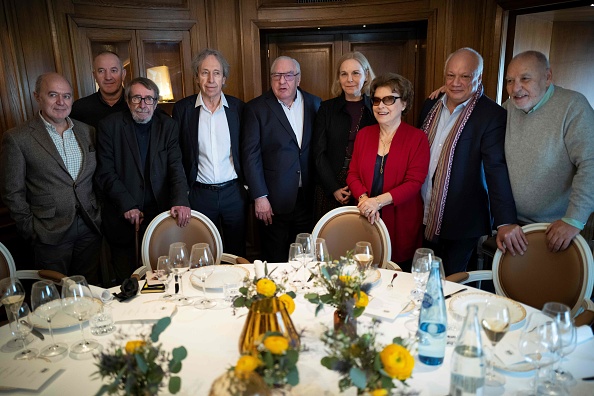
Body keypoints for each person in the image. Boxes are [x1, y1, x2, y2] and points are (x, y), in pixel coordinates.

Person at [419, 47, 523, 275]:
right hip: (422, 213)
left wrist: (505, 221)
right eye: (450, 75)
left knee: (452, 285)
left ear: (478, 77)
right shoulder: (431, 105)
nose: (456, 82)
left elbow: (495, 168)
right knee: (421, 280)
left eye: (465, 76)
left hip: (462, 222)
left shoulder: (492, 115)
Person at [0, 72, 102, 284]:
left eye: (66, 96)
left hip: (89, 227)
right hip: (48, 232)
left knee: (88, 288)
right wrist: (31, 229)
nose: (60, 102)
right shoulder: (18, 138)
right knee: (55, 298)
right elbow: (12, 192)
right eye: (53, 95)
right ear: (37, 96)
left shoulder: (87, 131)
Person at [95, 77, 191, 283]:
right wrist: (127, 204)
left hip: (161, 215)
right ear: (128, 101)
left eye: (149, 99)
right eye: (137, 98)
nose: (143, 105)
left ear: (156, 103)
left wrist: (181, 199)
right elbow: (105, 172)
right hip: (124, 218)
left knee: (163, 278)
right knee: (128, 281)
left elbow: (176, 166)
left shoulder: (168, 125)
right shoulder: (109, 126)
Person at [502, 50, 594, 253]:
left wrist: (574, 220)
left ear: (548, 77)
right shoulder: (508, 108)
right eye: (510, 80)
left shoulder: (573, 106)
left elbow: (591, 163)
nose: (515, 88)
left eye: (525, 78)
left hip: (557, 229)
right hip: (513, 225)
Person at [346, 73, 429, 271]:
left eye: (389, 99)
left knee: (398, 280)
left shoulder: (417, 138)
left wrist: (378, 201)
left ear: (404, 103)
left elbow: (414, 182)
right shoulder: (364, 135)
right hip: (366, 218)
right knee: (365, 277)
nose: (381, 106)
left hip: (401, 220)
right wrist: (365, 199)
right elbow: (352, 174)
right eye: (376, 100)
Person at [242, 56, 321, 262]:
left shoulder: (315, 103)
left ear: (298, 79)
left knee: (305, 260)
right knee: (275, 259)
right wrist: (260, 196)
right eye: (276, 76)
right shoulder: (256, 109)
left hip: (308, 199)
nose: (282, 81)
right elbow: (250, 156)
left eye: (288, 75)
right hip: (272, 203)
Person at [173, 49, 246, 257]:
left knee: (236, 252)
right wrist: (182, 195)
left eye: (217, 73)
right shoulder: (183, 110)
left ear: (224, 78)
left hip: (234, 193)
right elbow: (176, 155)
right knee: (203, 252)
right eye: (205, 72)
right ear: (197, 77)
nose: (211, 79)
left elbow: (248, 150)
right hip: (199, 194)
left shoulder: (238, 108)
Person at [313, 52, 377, 222]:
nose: (350, 79)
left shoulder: (377, 107)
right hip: (330, 184)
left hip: (365, 188)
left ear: (366, 75)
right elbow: (318, 153)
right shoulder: (326, 109)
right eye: (344, 74)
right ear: (339, 78)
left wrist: (361, 190)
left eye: (355, 73)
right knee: (328, 241)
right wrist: (334, 187)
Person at [70, 51, 128, 128]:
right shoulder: (79, 108)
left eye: (113, 70)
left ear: (123, 74)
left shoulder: (138, 105)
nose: (108, 77)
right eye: (101, 71)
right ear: (95, 76)